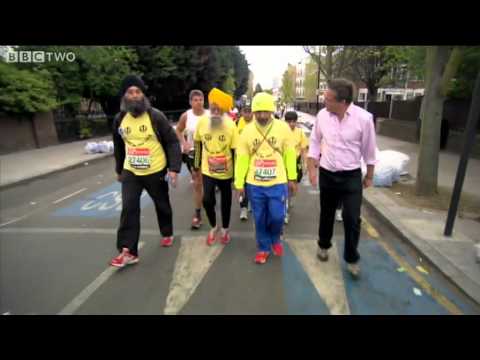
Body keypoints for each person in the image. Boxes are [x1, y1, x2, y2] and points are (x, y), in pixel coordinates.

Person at [307, 78, 377, 278]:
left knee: (351, 218)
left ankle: (352, 258)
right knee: (327, 213)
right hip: (328, 174)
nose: (324, 102)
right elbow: (314, 142)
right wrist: (312, 170)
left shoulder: (363, 119)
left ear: (343, 101)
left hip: (351, 176)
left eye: (328, 99)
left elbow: (370, 151)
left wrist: (369, 176)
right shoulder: (322, 116)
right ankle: (323, 244)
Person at [110, 75, 182, 267]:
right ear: (125, 96)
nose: (134, 96)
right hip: (131, 171)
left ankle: (166, 232)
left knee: (162, 204)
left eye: (138, 92)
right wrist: (119, 169)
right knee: (129, 207)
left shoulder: (155, 116)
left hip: (155, 170)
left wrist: (174, 169)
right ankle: (128, 250)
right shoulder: (119, 120)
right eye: (130, 92)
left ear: (143, 95)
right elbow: (118, 146)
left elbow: (172, 142)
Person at [235, 92, 298, 264]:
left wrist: (292, 178)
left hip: (277, 182)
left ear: (272, 111)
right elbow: (242, 158)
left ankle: (275, 238)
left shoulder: (283, 128)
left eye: (266, 112)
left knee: (277, 216)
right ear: (253, 112)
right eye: (258, 112)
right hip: (254, 184)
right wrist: (239, 182)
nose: (262, 116)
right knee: (259, 217)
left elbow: (290, 153)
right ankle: (263, 247)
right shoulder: (247, 131)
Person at [193, 88, 238, 245]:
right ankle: (214, 226)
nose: (216, 112)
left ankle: (225, 229)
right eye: (213, 108)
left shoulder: (231, 126)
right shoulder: (202, 123)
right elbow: (198, 143)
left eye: (219, 109)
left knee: (226, 202)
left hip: (226, 171)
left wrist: (237, 177)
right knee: (207, 200)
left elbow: (235, 151)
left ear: (225, 111)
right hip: (207, 169)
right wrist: (196, 166)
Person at [175, 90, 209, 230]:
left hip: (208, 153)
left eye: (200, 99)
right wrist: (184, 143)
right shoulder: (186, 116)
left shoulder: (210, 115)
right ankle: (198, 213)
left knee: (206, 182)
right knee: (197, 182)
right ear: (190, 102)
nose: (198, 102)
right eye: (195, 100)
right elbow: (178, 130)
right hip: (193, 153)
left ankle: (205, 206)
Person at [284, 111, 309, 225]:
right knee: (285, 187)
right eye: (289, 121)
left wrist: (305, 164)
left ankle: (289, 198)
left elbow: (304, 149)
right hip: (283, 163)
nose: (291, 124)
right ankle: (285, 211)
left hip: (295, 162)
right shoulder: (282, 132)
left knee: (293, 186)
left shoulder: (300, 133)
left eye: (294, 121)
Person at [236, 102, 254, 221]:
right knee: (242, 184)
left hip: (254, 159)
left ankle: (251, 202)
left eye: (249, 111)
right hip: (241, 158)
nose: (247, 114)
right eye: (245, 111)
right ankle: (243, 208)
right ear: (241, 112)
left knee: (251, 184)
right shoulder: (237, 123)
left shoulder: (257, 123)